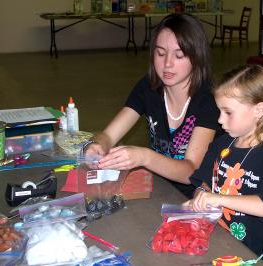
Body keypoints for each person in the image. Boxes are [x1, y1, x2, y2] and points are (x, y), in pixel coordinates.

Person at [83, 13, 220, 198]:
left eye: (179, 55)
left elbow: (191, 172)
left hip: (198, 197)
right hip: (160, 187)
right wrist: (96, 146)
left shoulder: (209, 100)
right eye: (160, 53)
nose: (167, 64)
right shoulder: (148, 87)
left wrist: (144, 157)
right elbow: (108, 135)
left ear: (197, 57)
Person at [186, 65, 263, 262]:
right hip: (215, 235)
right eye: (219, 111)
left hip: (248, 252)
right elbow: (204, 182)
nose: (219, 120)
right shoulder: (222, 143)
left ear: (259, 110)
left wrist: (218, 199)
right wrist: (201, 194)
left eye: (228, 112)